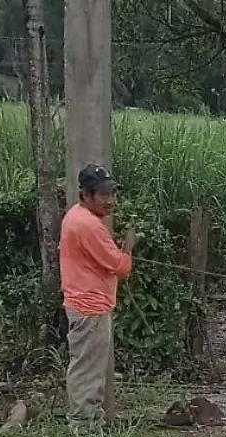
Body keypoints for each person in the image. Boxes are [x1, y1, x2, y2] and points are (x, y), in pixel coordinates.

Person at [59, 164, 136, 423]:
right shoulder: (90, 226)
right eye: (103, 195)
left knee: (87, 367)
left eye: (112, 194)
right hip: (90, 307)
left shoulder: (76, 216)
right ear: (86, 195)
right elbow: (120, 266)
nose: (111, 201)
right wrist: (129, 248)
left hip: (84, 304)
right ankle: (84, 428)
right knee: (88, 371)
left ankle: (87, 423)